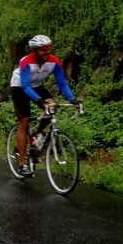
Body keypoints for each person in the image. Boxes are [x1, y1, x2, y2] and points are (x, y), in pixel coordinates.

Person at [10, 34, 81, 177]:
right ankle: (23, 164)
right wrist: (39, 100)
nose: (47, 53)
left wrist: (73, 99)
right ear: (35, 50)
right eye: (43, 50)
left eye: (49, 50)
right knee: (24, 121)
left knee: (52, 107)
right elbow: (25, 86)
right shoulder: (26, 62)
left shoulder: (55, 62)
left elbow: (62, 84)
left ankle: (36, 135)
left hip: (37, 86)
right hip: (20, 86)